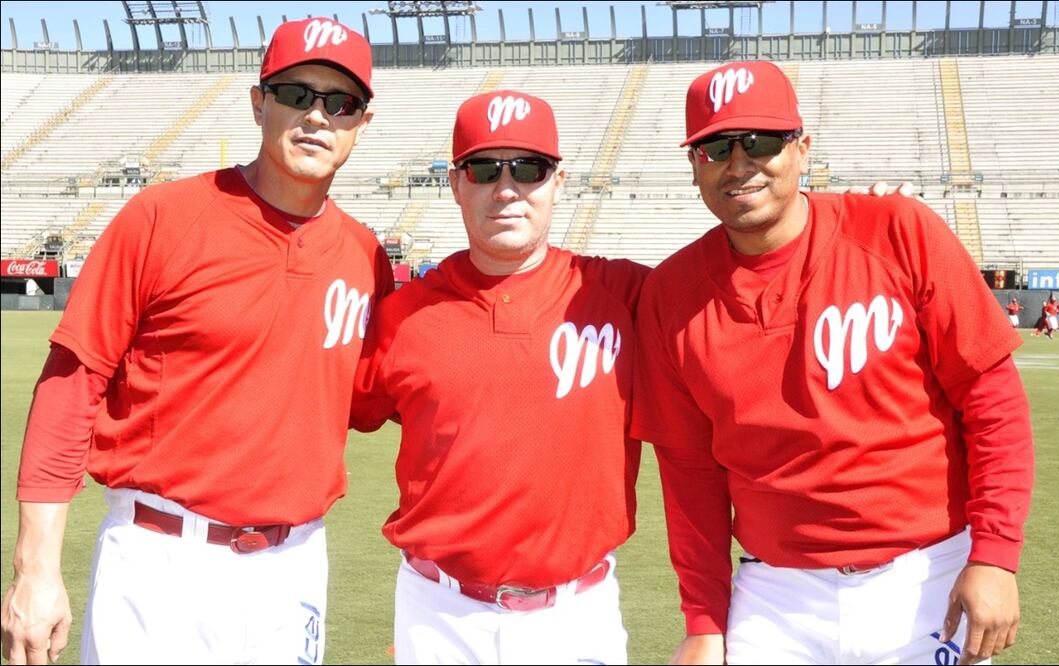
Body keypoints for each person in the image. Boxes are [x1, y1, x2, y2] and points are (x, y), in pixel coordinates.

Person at [1, 17, 394, 665]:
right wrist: (35, 571)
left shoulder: (363, 255)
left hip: (292, 567)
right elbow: (71, 389)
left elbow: (383, 400)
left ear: (360, 124)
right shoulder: (162, 218)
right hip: (159, 561)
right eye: (296, 94)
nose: (317, 117)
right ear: (258, 103)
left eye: (340, 102)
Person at [631, 61, 1034, 665]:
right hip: (776, 596)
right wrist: (704, 623)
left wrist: (996, 554)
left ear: (802, 148)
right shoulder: (670, 294)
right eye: (715, 148)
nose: (739, 164)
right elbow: (690, 477)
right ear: (694, 166)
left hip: (927, 576)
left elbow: (991, 401)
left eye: (760, 141)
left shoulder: (900, 230)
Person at [349, 90, 649, 665]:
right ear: (456, 184)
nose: (506, 189)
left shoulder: (627, 296)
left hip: (578, 614)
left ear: (558, 182)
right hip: (439, 613)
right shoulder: (399, 316)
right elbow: (344, 407)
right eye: (484, 169)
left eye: (528, 168)